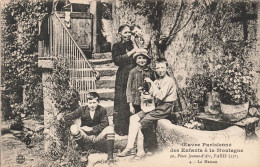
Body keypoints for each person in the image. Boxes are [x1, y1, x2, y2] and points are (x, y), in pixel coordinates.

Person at [117, 58, 177, 159]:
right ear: (156, 69)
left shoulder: (168, 80)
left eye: (163, 67)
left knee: (140, 124)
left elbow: (161, 96)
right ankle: (129, 147)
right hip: (155, 106)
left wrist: (151, 83)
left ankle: (140, 152)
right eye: (158, 68)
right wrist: (143, 92)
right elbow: (152, 95)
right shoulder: (158, 80)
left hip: (165, 107)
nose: (160, 70)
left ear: (167, 68)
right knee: (133, 118)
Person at [57, 92, 115, 162]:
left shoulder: (102, 110)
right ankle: (84, 150)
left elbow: (105, 124)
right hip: (86, 136)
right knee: (73, 128)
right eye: (90, 103)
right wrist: (62, 118)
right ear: (87, 102)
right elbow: (72, 115)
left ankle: (110, 157)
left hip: (97, 135)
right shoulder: (82, 109)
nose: (92, 105)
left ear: (98, 102)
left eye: (94, 102)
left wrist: (91, 129)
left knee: (110, 129)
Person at [112, 24, 138, 136]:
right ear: (120, 34)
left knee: (133, 98)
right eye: (125, 32)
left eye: (129, 32)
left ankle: (134, 128)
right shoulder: (116, 46)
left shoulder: (134, 44)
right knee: (122, 100)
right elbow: (117, 60)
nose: (127, 35)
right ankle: (121, 128)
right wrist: (132, 52)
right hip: (123, 75)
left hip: (134, 74)